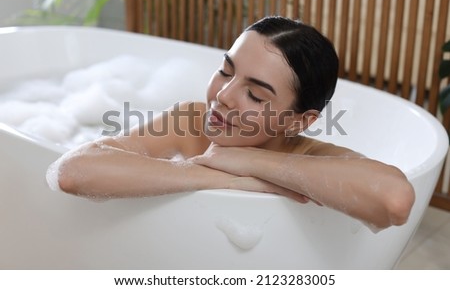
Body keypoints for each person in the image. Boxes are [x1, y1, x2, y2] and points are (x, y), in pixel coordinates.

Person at [48, 16, 415, 230]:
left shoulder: (313, 155)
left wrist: (249, 160)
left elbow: (395, 201)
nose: (224, 95)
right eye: (226, 71)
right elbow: (73, 172)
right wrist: (217, 174)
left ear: (297, 122)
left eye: (256, 95)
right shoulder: (192, 120)